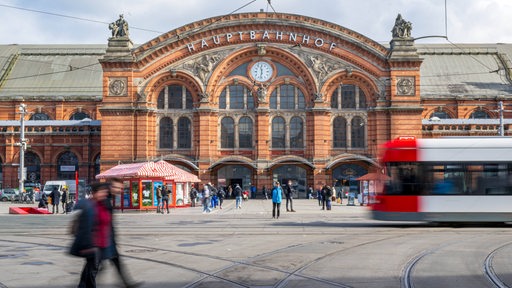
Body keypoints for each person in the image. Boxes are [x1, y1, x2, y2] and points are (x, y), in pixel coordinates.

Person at [70, 182, 112, 288]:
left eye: (105, 192)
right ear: (94, 193)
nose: (104, 194)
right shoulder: (89, 206)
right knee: (92, 272)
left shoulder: (103, 204)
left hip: (101, 244)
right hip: (93, 245)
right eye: (101, 192)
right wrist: (87, 245)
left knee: (89, 272)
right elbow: (84, 227)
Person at [106, 178, 142, 288]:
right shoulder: (103, 199)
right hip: (102, 239)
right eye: (118, 188)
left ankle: (127, 283)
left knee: (115, 261)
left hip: (108, 238)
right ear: (111, 186)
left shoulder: (109, 197)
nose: (120, 191)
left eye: (121, 188)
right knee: (93, 267)